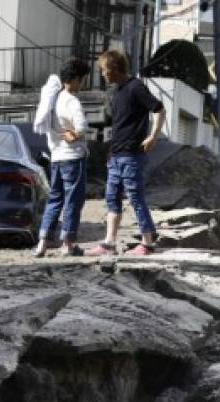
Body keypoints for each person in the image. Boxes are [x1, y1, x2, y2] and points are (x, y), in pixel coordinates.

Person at [86, 50, 166, 257]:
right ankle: (109, 243)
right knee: (111, 197)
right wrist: (110, 154)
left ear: (113, 68)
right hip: (117, 154)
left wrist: (153, 137)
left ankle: (147, 243)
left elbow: (158, 109)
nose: (103, 74)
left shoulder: (136, 87)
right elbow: (118, 126)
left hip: (132, 154)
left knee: (135, 197)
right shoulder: (116, 92)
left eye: (104, 70)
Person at [32, 58, 90, 257]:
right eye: (82, 80)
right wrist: (74, 135)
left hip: (56, 158)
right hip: (73, 158)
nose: (82, 84)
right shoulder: (71, 100)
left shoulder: (52, 100)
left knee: (55, 199)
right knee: (73, 200)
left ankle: (42, 243)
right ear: (73, 79)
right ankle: (68, 244)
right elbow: (81, 127)